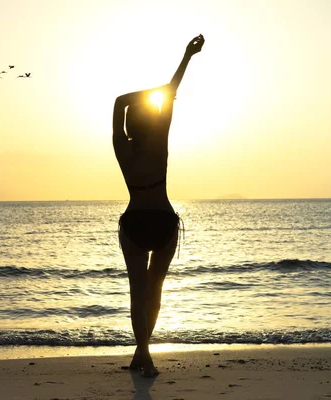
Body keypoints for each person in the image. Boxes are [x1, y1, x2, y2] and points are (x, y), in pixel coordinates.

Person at [113, 34, 205, 377]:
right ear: (150, 121)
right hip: (163, 221)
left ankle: (144, 354)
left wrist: (141, 98)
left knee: (138, 291)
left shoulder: (122, 148)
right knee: (155, 288)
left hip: (135, 221)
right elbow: (173, 87)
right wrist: (187, 55)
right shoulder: (160, 141)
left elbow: (120, 100)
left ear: (127, 125)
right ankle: (143, 352)